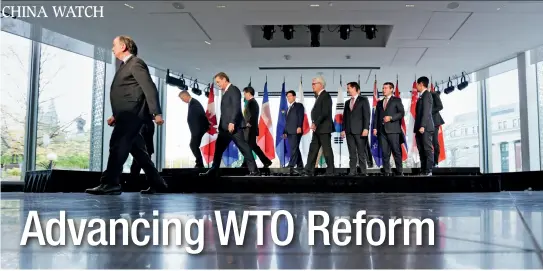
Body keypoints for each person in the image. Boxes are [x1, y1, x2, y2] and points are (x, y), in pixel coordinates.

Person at [86, 35, 167, 195]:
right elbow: (129, 93)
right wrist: (116, 116)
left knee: (117, 145)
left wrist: (156, 112)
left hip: (132, 115)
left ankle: (111, 183)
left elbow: (149, 87)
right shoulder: (125, 66)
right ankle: (159, 184)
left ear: (123, 46)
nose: (112, 48)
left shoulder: (136, 63)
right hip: (125, 115)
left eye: (114, 45)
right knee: (139, 153)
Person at [200, 72, 259, 176]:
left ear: (224, 79)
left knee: (244, 148)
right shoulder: (226, 92)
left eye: (218, 82)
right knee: (218, 149)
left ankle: (254, 171)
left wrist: (232, 122)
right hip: (224, 129)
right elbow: (226, 111)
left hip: (234, 127)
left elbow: (236, 107)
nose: (218, 84)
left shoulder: (234, 90)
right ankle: (214, 170)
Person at [299, 76, 335, 176]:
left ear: (321, 84)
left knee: (327, 150)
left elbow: (325, 112)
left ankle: (331, 171)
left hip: (324, 128)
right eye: (312, 84)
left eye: (314, 84)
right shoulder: (318, 96)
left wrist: (315, 123)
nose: (312, 86)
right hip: (318, 128)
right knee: (313, 149)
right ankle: (308, 170)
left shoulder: (326, 95)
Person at [373, 82, 405, 176]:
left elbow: (401, 113)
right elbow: (376, 117)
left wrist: (391, 118)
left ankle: (400, 171)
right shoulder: (379, 102)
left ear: (391, 89)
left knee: (396, 151)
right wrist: (375, 128)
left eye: (386, 88)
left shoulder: (397, 100)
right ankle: (387, 172)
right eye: (383, 88)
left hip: (393, 130)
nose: (383, 90)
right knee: (384, 152)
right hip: (381, 131)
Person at [341, 82, 371, 176]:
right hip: (349, 131)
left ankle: (363, 172)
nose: (347, 90)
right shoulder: (347, 102)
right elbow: (345, 117)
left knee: (361, 153)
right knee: (352, 153)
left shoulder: (363, 100)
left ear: (354, 88)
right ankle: (352, 172)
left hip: (360, 131)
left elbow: (367, 115)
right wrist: (343, 129)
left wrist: (366, 128)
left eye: (348, 88)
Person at [241, 86, 272, 168]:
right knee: (252, 146)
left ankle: (247, 164)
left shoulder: (252, 103)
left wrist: (248, 123)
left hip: (250, 129)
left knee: (248, 147)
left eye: (245, 93)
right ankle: (266, 161)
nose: (244, 95)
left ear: (248, 93)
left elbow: (253, 115)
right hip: (250, 129)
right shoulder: (251, 102)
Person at [179, 91, 209, 168]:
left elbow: (200, 117)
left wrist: (197, 131)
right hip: (196, 130)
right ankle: (199, 163)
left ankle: (199, 164)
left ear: (186, 96)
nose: (182, 100)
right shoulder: (192, 103)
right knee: (193, 145)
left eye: (182, 98)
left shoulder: (194, 103)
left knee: (193, 145)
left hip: (198, 130)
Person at [414, 76, 435, 176]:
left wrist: (422, 126)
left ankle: (428, 170)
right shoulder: (421, 96)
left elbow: (426, 112)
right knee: (421, 150)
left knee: (427, 149)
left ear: (421, 84)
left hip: (425, 128)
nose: (416, 87)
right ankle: (423, 170)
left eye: (417, 85)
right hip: (419, 128)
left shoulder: (427, 95)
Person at [282, 90, 305, 174]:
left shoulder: (299, 105)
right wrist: (285, 132)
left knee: (294, 148)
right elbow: (286, 122)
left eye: (290, 96)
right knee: (295, 148)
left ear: (294, 97)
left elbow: (300, 116)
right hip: (289, 131)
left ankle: (291, 165)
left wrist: (299, 126)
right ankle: (300, 165)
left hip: (296, 130)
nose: (288, 98)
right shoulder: (288, 108)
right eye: (287, 96)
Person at [129, 114, 155, 180]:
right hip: (144, 124)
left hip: (143, 125)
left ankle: (133, 185)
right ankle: (155, 185)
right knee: (142, 158)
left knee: (141, 156)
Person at [431, 90, 444, 167]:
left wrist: (429, 111)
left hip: (435, 122)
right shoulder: (421, 97)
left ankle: (435, 162)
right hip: (425, 123)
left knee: (434, 142)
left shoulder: (434, 94)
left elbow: (440, 106)